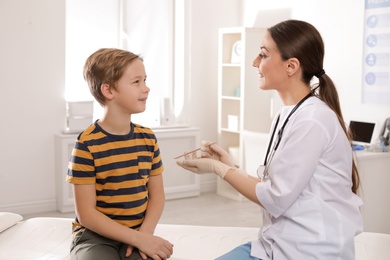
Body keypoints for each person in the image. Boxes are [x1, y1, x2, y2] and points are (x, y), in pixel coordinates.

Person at [177, 20, 363, 260]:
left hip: (311, 251)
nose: (255, 62)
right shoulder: (288, 113)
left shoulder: (312, 120)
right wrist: (231, 166)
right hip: (278, 243)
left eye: (263, 55)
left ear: (291, 66)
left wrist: (219, 169)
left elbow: (275, 198)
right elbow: (278, 186)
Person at [66, 48, 173, 260]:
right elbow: (86, 215)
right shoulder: (87, 144)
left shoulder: (148, 139)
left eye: (145, 80)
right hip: (94, 236)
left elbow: (157, 196)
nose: (146, 88)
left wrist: (144, 236)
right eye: (136, 82)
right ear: (108, 90)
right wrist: (140, 240)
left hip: (137, 232)